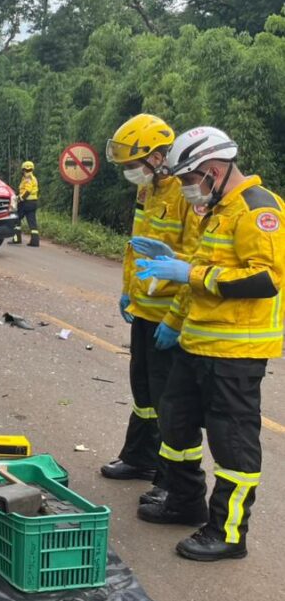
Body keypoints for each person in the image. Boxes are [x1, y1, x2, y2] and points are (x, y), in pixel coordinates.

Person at [135, 127, 285, 561]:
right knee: (175, 424)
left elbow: (265, 280)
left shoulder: (259, 210)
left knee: (233, 447)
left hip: (235, 355)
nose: (187, 189)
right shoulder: (216, 211)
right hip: (197, 344)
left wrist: (190, 273)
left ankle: (228, 532)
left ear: (213, 171)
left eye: (189, 180)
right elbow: (204, 272)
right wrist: (175, 310)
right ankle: (184, 501)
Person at [101, 114, 200, 510]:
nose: (130, 172)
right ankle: (139, 457)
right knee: (143, 389)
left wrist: (176, 316)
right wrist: (128, 291)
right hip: (144, 309)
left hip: (169, 317)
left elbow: (193, 259)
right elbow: (136, 247)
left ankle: (168, 480)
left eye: (134, 163)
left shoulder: (185, 192)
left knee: (168, 402)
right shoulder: (150, 191)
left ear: (159, 156)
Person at [12, 161, 40, 246]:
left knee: (16, 219)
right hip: (33, 203)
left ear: (23, 169)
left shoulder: (28, 178)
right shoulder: (33, 178)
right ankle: (35, 242)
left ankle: (17, 239)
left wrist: (19, 198)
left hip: (25, 203)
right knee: (32, 223)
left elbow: (27, 190)